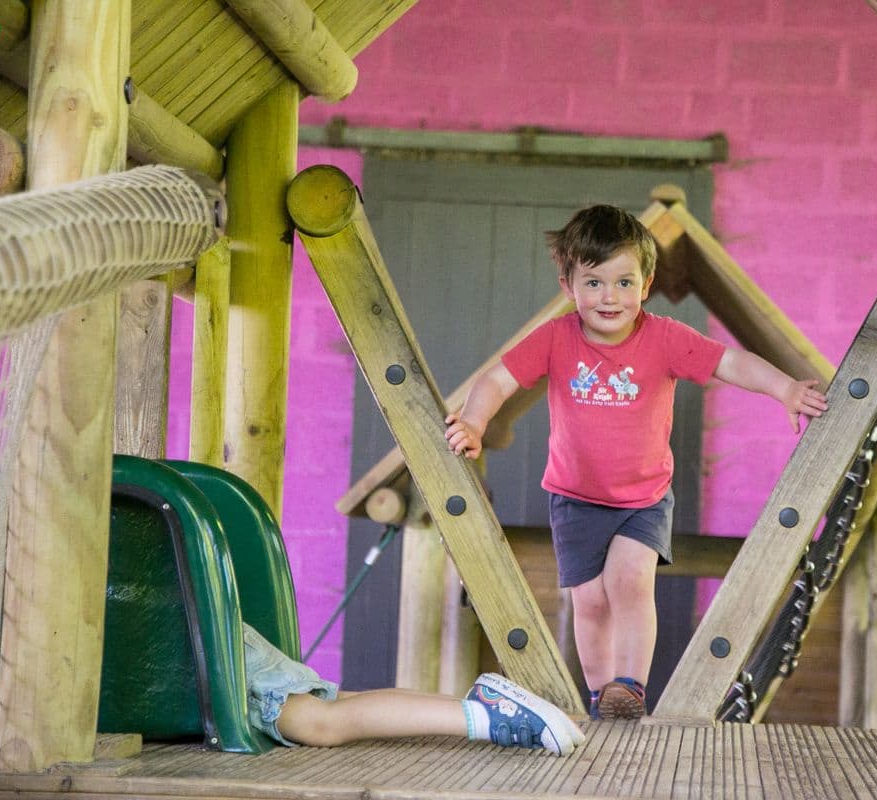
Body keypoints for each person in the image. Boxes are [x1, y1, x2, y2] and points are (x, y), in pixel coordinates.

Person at [444, 204, 828, 720]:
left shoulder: (665, 338)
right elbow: (496, 380)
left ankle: (629, 685)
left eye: (624, 282)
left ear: (645, 284)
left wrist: (783, 388)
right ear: (568, 285)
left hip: (642, 498)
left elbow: (727, 362)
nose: (610, 297)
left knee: (630, 581)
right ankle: (603, 695)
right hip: (575, 499)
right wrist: (475, 422)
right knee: (590, 601)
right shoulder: (557, 339)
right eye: (594, 282)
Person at [242, 623, 584, 754]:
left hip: (218, 649)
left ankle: (486, 712)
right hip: (232, 637)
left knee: (319, 722)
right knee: (334, 702)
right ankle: (484, 705)